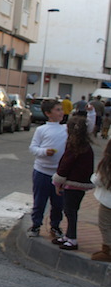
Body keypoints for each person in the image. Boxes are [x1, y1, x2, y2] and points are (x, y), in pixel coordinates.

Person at [51, 116, 95, 251]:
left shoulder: (74, 147)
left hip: (72, 184)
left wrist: (58, 182)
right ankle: (68, 235)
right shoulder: (85, 146)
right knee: (71, 210)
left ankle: (72, 238)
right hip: (80, 184)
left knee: (70, 211)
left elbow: (65, 165)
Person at [27, 99, 68, 238]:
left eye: (61, 109)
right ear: (48, 113)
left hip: (59, 174)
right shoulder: (41, 130)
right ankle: (36, 225)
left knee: (58, 203)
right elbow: (33, 148)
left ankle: (55, 226)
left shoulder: (66, 129)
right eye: (57, 110)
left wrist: (91, 113)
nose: (61, 112)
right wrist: (44, 152)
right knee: (39, 201)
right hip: (42, 172)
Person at [89, 142, 111, 262]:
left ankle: (108, 250)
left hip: (108, 201)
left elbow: (99, 180)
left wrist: (93, 177)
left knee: (105, 225)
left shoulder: (107, 164)